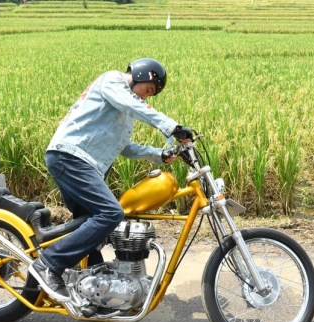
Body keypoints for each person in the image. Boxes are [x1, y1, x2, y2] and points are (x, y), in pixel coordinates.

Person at [28, 58, 192, 302]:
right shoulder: (113, 81)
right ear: (139, 76)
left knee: (90, 225)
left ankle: (93, 292)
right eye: (148, 91)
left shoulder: (123, 113)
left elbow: (124, 147)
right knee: (110, 214)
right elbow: (132, 104)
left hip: (83, 163)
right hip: (70, 157)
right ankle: (48, 264)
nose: (146, 98)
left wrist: (159, 154)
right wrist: (173, 127)